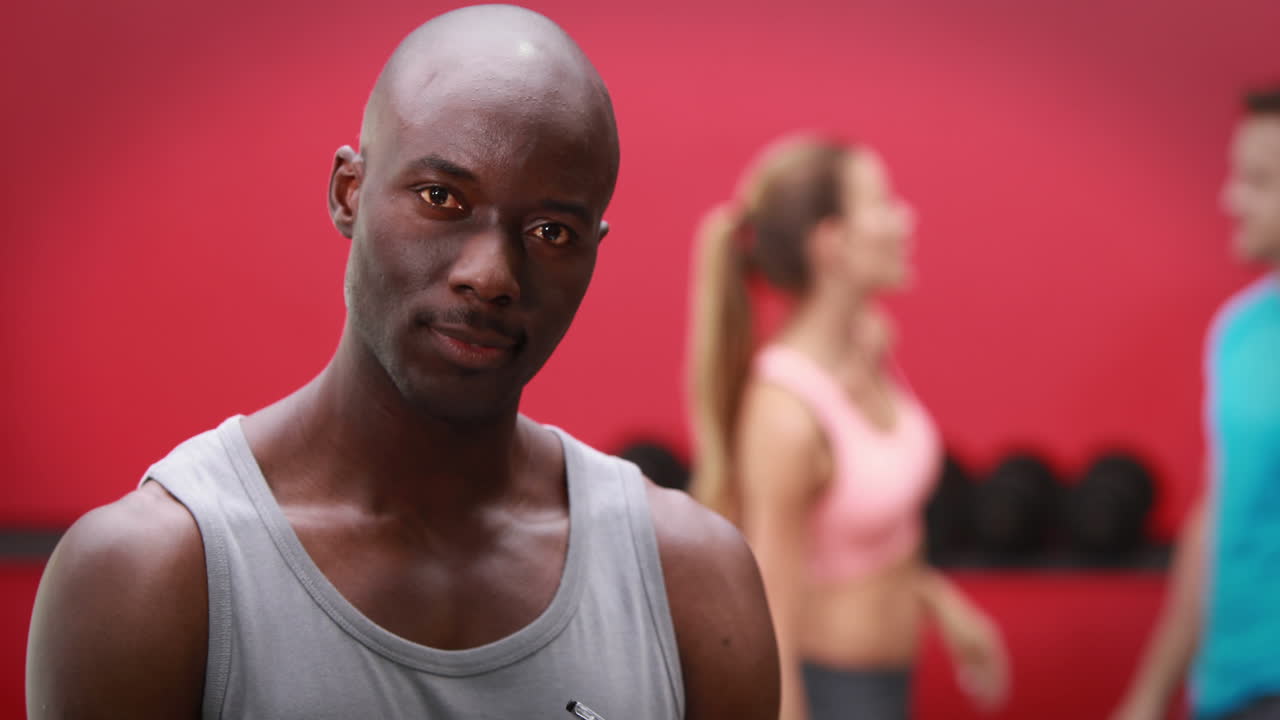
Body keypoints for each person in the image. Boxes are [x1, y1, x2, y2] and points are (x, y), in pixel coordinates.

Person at [25, 6, 780, 718]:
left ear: (593, 251)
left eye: (550, 231)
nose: (491, 274)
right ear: (348, 192)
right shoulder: (155, 576)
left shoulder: (693, 583)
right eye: (441, 196)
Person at [687, 135, 1009, 719]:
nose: (904, 219)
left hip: (890, 681)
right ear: (832, 241)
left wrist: (940, 601)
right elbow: (770, 621)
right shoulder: (784, 414)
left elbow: (869, 532)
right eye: (883, 204)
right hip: (831, 692)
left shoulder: (869, 345)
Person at [1113, 84, 1280, 720]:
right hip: (1223, 689)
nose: (1230, 198)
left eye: (1259, 180)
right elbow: (1218, 513)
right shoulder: (1237, 330)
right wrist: (1150, 692)